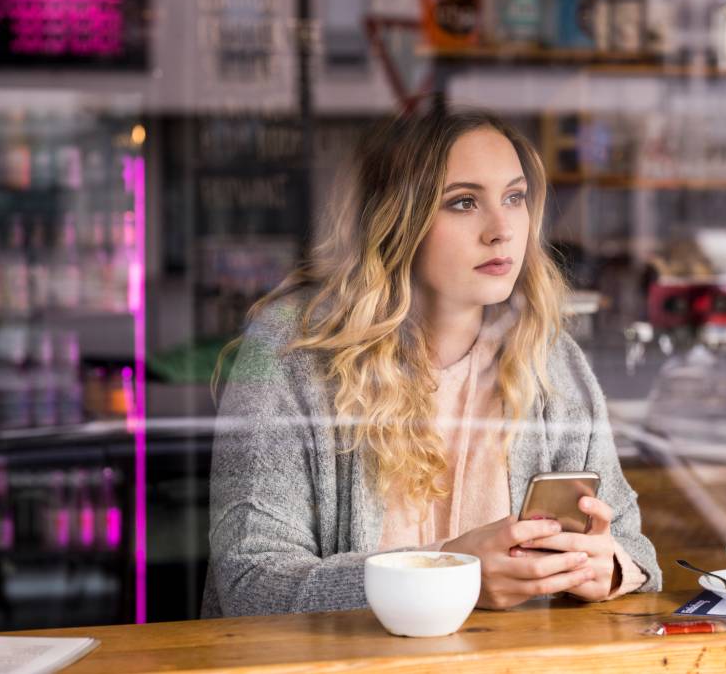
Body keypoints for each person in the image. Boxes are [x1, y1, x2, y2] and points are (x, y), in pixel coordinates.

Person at [201, 109, 662, 617]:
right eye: (463, 202)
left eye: (514, 198)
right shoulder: (292, 351)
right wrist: (448, 573)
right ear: (395, 219)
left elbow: (635, 551)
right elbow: (250, 585)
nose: (502, 230)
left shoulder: (547, 357)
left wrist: (607, 569)